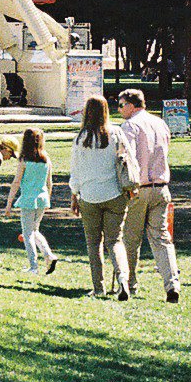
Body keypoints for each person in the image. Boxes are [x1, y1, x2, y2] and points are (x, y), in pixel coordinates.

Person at [117, 88, 179, 302]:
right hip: (161, 187)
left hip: (139, 189)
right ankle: (172, 284)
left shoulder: (130, 126)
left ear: (131, 105)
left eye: (121, 104)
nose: (119, 108)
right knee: (162, 239)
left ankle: (129, 284)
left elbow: (128, 158)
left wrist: (126, 185)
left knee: (130, 240)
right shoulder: (160, 123)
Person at [69, 95, 133, 299]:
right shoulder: (116, 133)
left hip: (89, 196)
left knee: (93, 243)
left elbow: (75, 170)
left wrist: (74, 194)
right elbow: (129, 160)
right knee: (115, 241)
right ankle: (123, 278)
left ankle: (98, 287)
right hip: (114, 193)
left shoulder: (81, 137)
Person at [2, 127, 58, 276]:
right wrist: (47, 199)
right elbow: (49, 182)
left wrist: (8, 205)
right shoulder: (46, 158)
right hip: (42, 198)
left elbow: (16, 182)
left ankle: (34, 266)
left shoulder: (24, 160)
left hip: (28, 199)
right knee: (34, 230)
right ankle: (49, 255)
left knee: (27, 233)